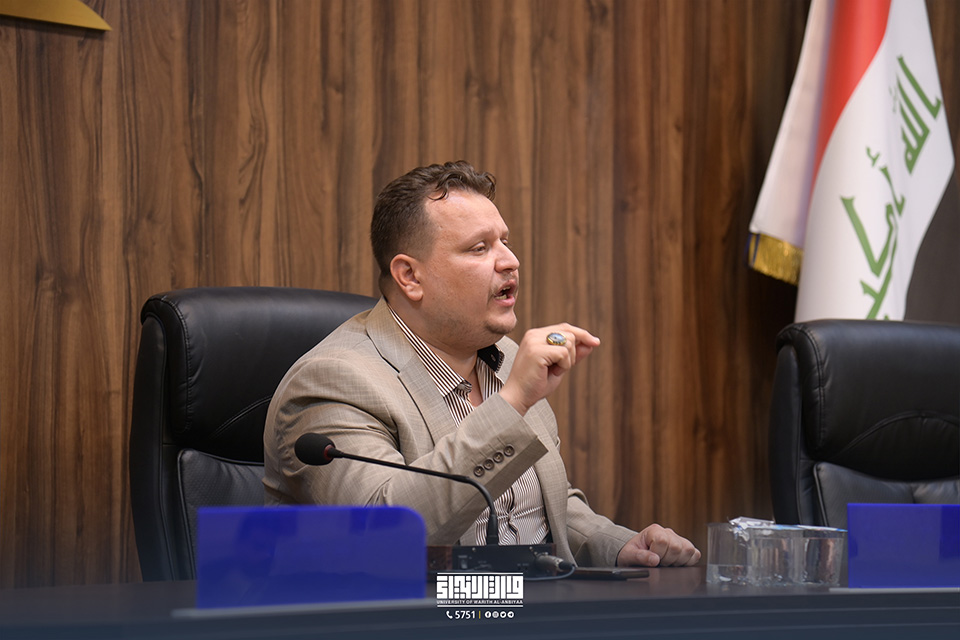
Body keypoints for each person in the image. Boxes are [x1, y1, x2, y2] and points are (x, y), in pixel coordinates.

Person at [263, 161, 700, 567]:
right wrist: (512, 404)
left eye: (504, 241)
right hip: (427, 613)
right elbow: (385, 534)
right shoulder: (333, 380)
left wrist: (619, 544)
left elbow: (543, 504)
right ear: (410, 277)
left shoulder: (506, 359)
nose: (510, 261)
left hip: (533, 604)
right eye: (479, 248)